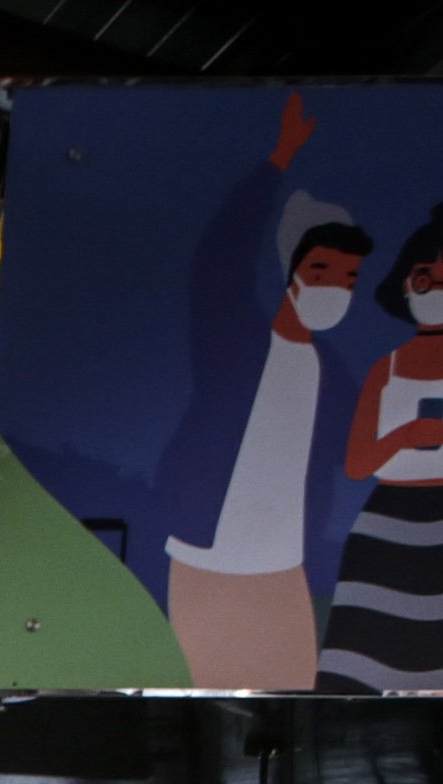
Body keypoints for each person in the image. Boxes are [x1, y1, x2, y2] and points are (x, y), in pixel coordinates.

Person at [160, 100, 368, 690]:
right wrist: (276, 161)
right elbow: (217, 258)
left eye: (348, 278)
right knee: (202, 698)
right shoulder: (235, 338)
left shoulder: (333, 373)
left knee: (301, 704)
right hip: (208, 560)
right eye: (324, 271)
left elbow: (352, 456)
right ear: (292, 269)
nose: (335, 288)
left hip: (283, 568)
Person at [317, 204, 443, 695]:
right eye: (424, 279)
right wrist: (405, 435)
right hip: (384, 526)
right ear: (405, 284)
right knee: (362, 668)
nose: (437, 291)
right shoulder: (387, 367)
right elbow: (357, 466)